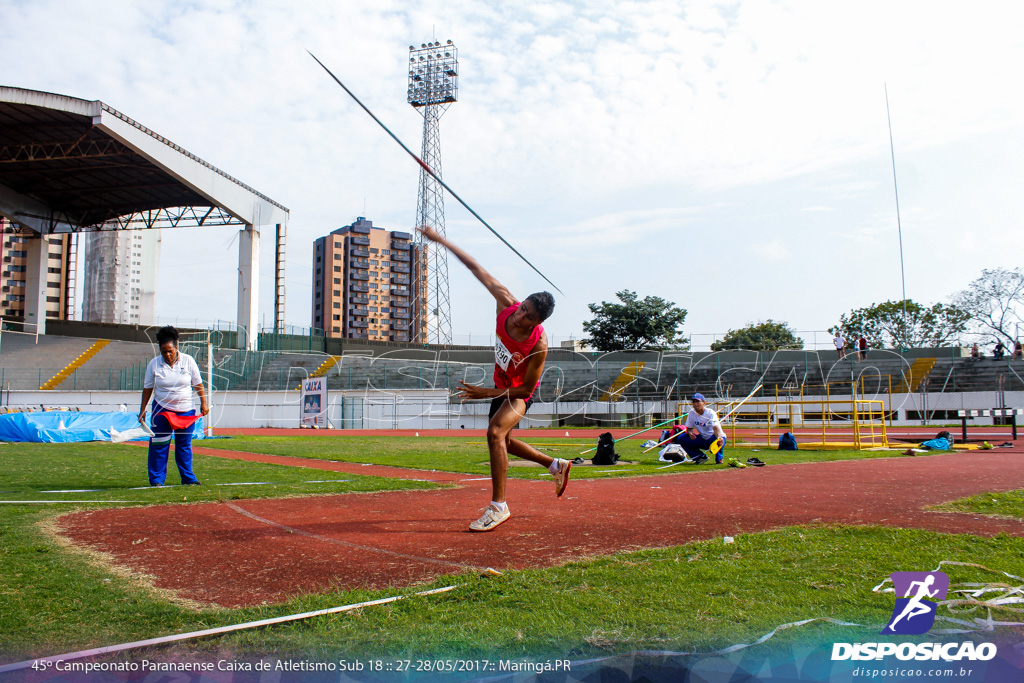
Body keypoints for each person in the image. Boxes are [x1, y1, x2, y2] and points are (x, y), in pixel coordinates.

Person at [417, 226, 570, 532]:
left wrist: (485, 392)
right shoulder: (506, 304)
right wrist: (440, 240)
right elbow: (476, 267)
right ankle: (555, 465)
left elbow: (525, 389)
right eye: (522, 308)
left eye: (527, 316)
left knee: (495, 433)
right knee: (506, 442)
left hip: (518, 392)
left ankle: (499, 506)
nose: (519, 316)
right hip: (500, 385)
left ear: (537, 323)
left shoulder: (537, 346)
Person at [138, 326, 209, 486]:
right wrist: (142, 410)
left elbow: (198, 383)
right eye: (164, 352)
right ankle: (157, 480)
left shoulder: (188, 361)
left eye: (170, 350)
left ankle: (188, 478)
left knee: (184, 446)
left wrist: (203, 403)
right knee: (159, 445)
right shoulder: (154, 364)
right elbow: (148, 388)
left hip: (185, 412)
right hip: (161, 411)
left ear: (176, 347)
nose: (167, 355)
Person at [673, 393, 727, 464]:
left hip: (715, 437)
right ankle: (700, 457)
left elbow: (716, 428)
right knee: (681, 438)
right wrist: (690, 433)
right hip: (703, 439)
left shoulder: (711, 413)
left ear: (704, 403)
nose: (695, 404)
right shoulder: (692, 413)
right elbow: (689, 428)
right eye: (694, 402)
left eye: (698, 401)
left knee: (717, 438)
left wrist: (719, 438)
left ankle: (719, 458)